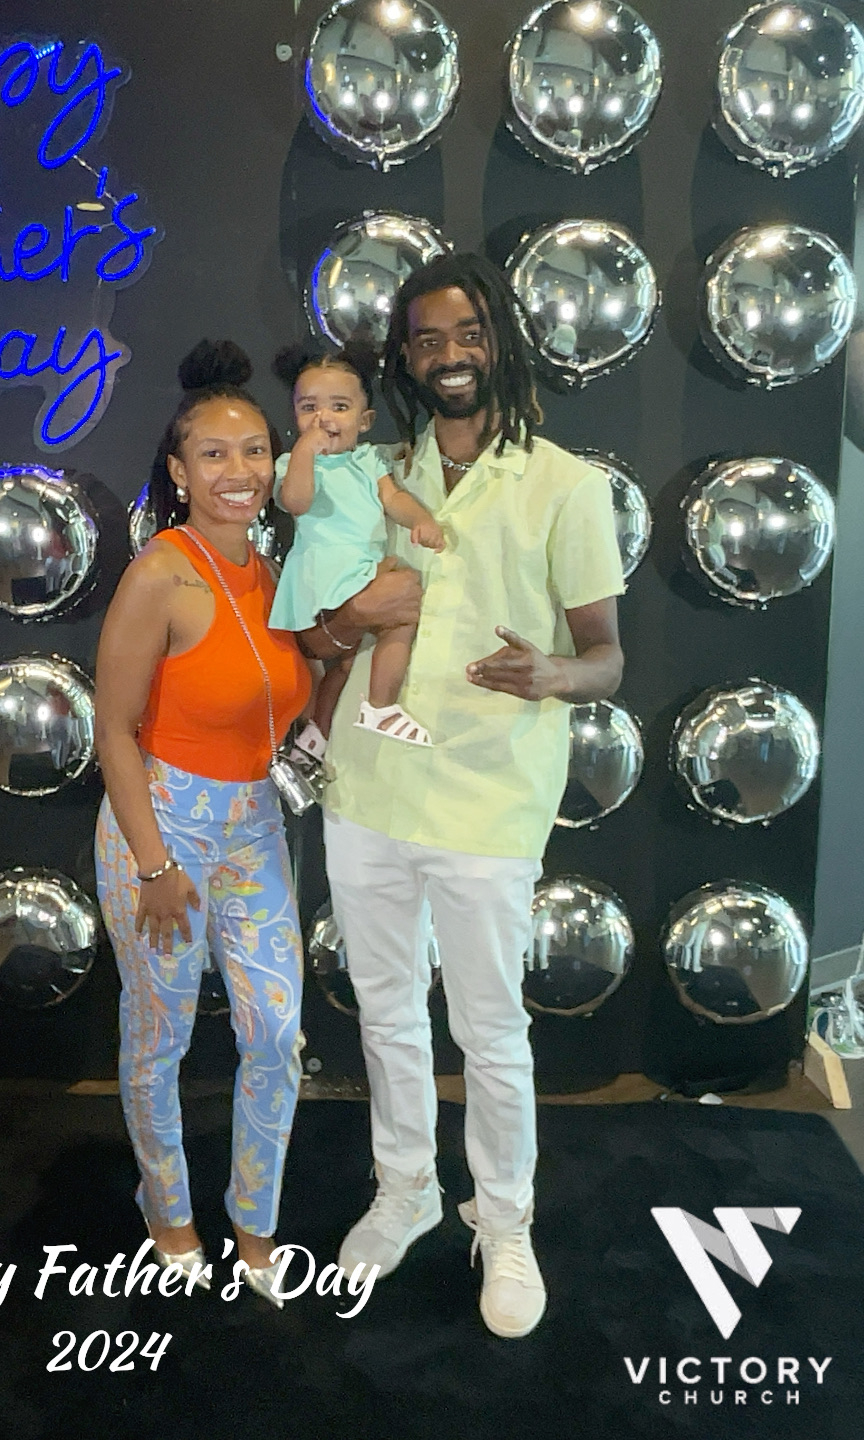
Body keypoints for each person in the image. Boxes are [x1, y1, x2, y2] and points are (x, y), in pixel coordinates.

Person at [302, 254, 626, 1338]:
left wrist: (552, 674)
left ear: (502, 342)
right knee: (386, 1011)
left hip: (489, 799)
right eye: (429, 339)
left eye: (469, 333)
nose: (450, 355)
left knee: (491, 1029)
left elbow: (608, 658)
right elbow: (320, 632)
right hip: (368, 789)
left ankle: (507, 1218)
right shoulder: (370, 473)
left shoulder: (566, 485)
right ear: (404, 358)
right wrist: (350, 621)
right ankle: (405, 1190)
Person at [93, 340, 313, 1307]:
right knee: (161, 1034)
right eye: (214, 453)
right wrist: (152, 865)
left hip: (255, 824)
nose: (239, 470)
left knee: (277, 1030)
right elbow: (111, 727)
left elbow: (287, 698)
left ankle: (254, 1218)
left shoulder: (276, 570)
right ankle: (168, 1209)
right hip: (162, 829)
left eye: (254, 450)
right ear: (179, 472)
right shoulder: (161, 573)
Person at [268, 340, 444, 745]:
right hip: (326, 569)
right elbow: (296, 501)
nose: (323, 417)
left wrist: (421, 520)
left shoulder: (367, 460)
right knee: (399, 619)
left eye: (339, 407)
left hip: (363, 566)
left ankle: (319, 733)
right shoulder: (292, 463)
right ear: (295, 415)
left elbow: (393, 499)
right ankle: (381, 706)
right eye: (309, 407)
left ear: (365, 421)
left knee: (348, 664)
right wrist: (304, 452)